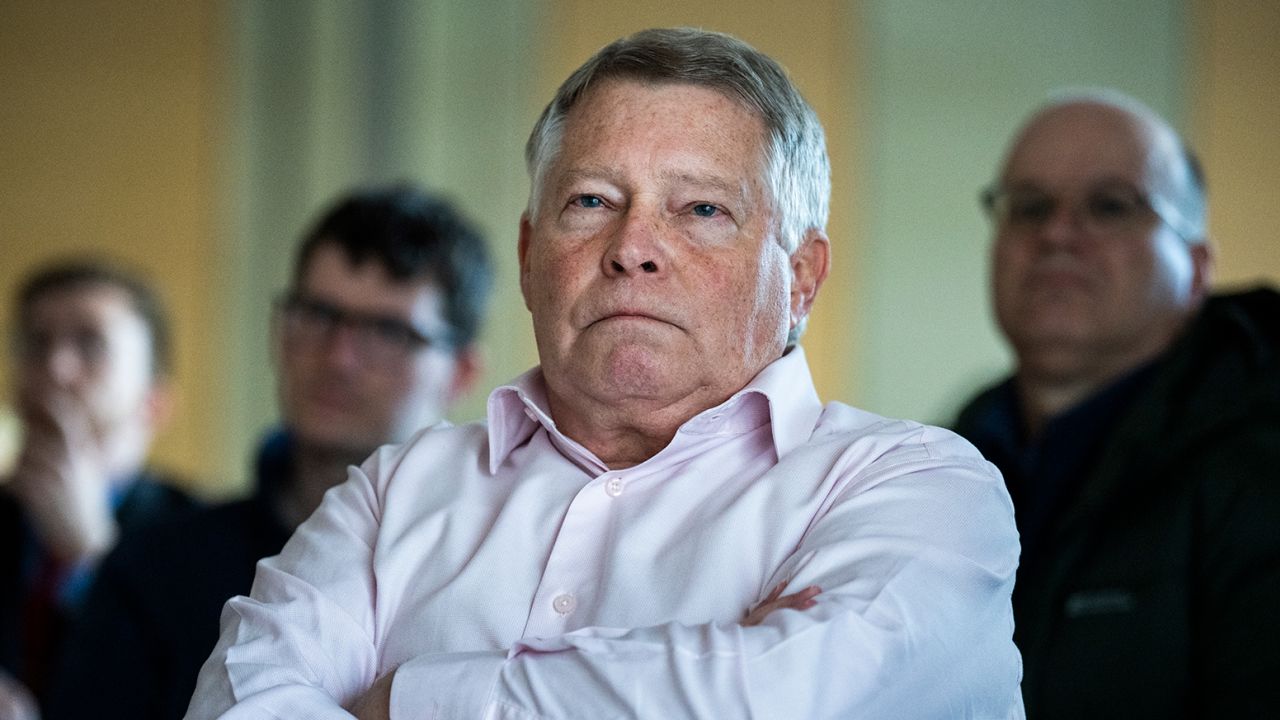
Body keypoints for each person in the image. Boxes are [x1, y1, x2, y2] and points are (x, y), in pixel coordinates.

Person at [188, 28, 1024, 719]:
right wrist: (709, 665)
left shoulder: (917, 489)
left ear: (801, 275)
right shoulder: (397, 492)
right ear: (527, 256)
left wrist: (404, 698)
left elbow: (789, 698)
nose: (632, 249)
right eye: (591, 201)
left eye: (701, 209)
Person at [42, 187, 492, 720]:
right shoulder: (154, 568)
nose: (338, 358)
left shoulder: (495, 570)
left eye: (385, 331)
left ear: (461, 371)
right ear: (278, 329)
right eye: (317, 315)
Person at [953, 90, 1280, 718]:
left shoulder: (1261, 467)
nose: (1056, 234)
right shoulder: (951, 455)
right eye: (1029, 207)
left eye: (1109, 206)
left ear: (1197, 266)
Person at [0, 260, 197, 717]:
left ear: (155, 402)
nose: (54, 367)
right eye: (35, 343)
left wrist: (92, 561)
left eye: (91, 344)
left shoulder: (202, 540)